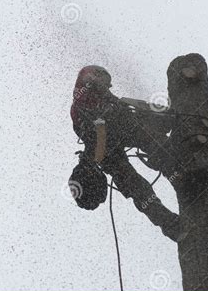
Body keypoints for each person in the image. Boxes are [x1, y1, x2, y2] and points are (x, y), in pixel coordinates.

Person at [70, 65, 180, 242]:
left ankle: (176, 171)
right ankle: (169, 222)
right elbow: (99, 130)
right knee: (136, 184)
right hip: (104, 147)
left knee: (154, 146)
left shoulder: (105, 102)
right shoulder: (83, 98)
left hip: (113, 138)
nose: (108, 87)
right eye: (106, 83)